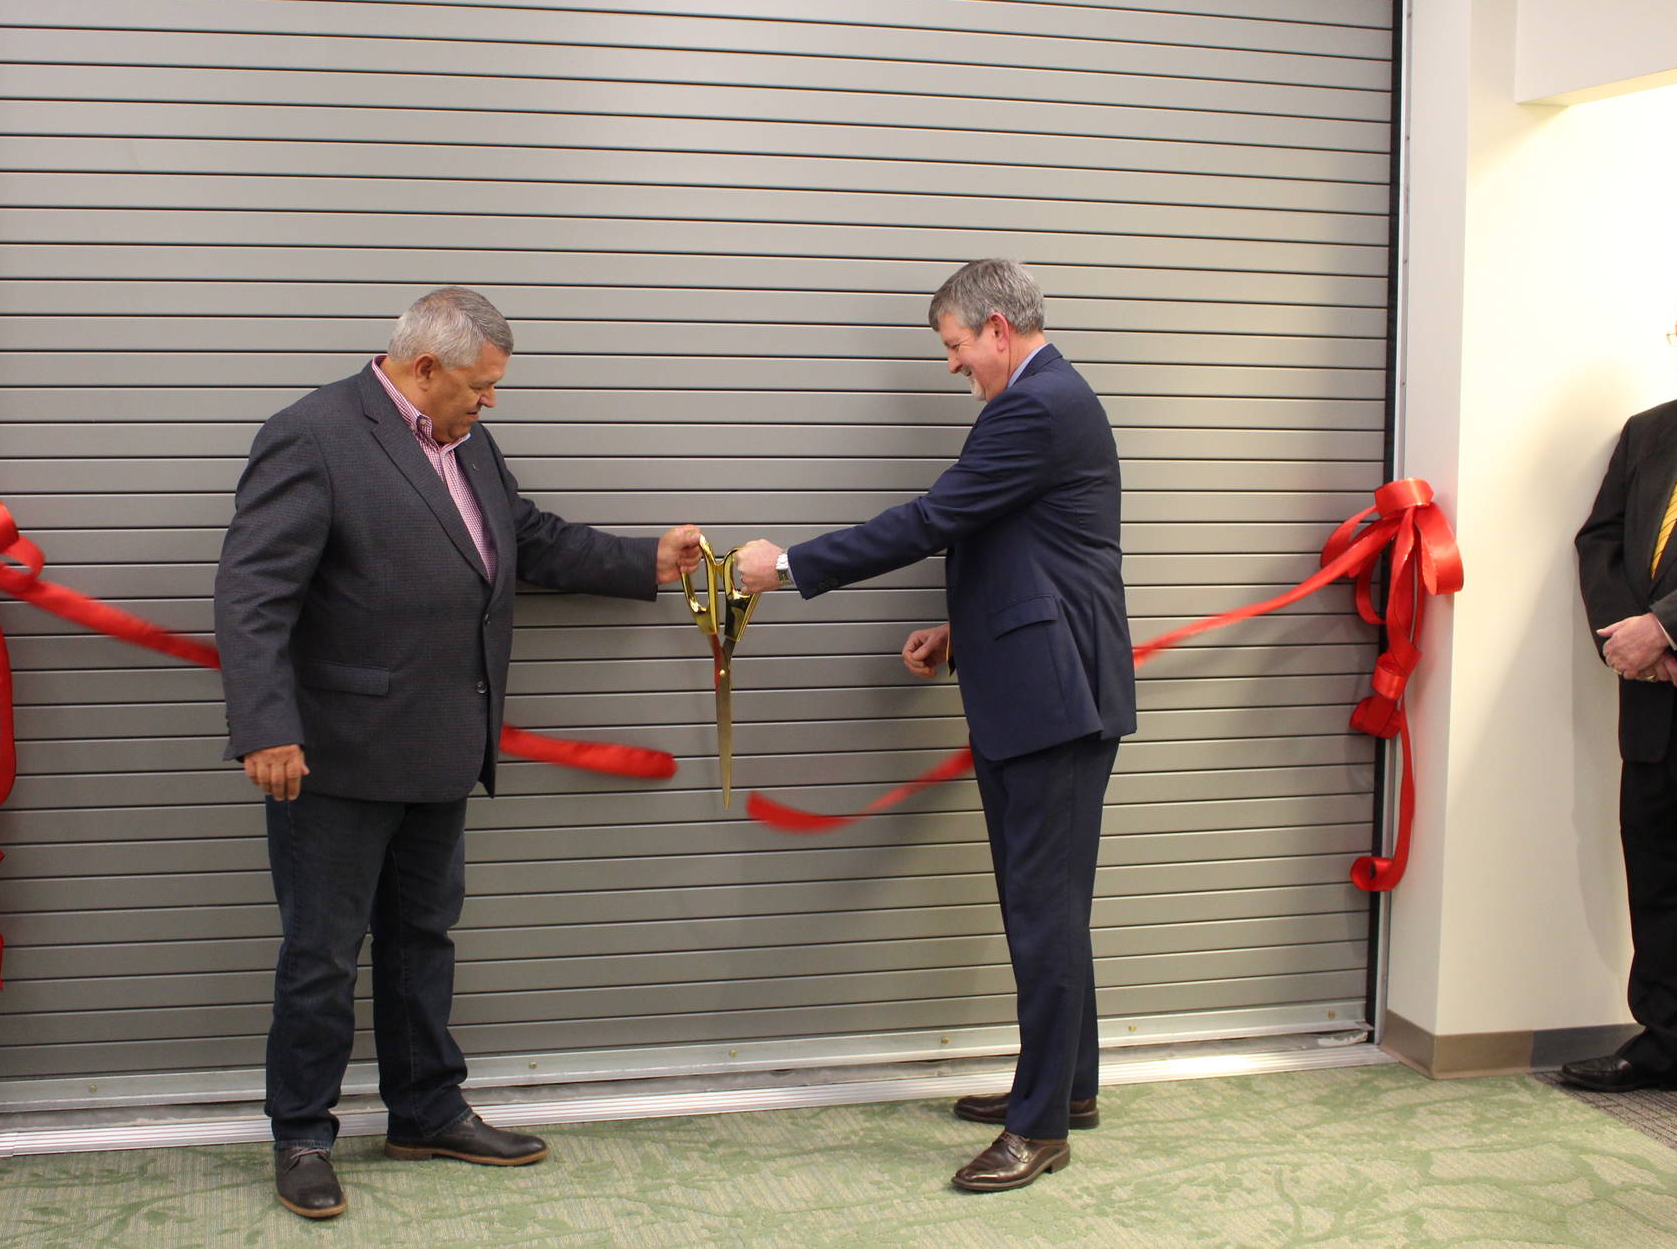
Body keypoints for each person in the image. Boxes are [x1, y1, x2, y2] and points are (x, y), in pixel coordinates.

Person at [214, 286, 702, 1219]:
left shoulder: (466, 440)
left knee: (422, 941)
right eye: (479, 387)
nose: (489, 404)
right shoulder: (311, 436)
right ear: (425, 366)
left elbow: (524, 538)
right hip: (334, 754)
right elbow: (251, 593)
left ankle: (427, 1109)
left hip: (441, 744)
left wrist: (646, 560)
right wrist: (266, 725)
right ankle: (303, 1133)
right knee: (321, 952)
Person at [732, 258, 1135, 1192]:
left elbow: (935, 518)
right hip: (1039, 686)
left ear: (998, 327)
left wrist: (786, 567)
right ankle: (1067, 1086)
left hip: (1055, 704)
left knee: (1043, 913)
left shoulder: (1038, 404)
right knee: (1050, 907)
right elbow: (1039, 548)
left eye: (955, 346)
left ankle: (1040, 1127)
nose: (953, 365)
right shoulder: (1039, 402)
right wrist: (964, 633)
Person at [1572, 278, 1677, 1150]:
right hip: (1654, 706)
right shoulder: (1652, 432)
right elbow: (1599, 539)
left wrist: (1667, 626)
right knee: (1664, 884)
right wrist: (1626, 635)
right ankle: (1664, 1044)